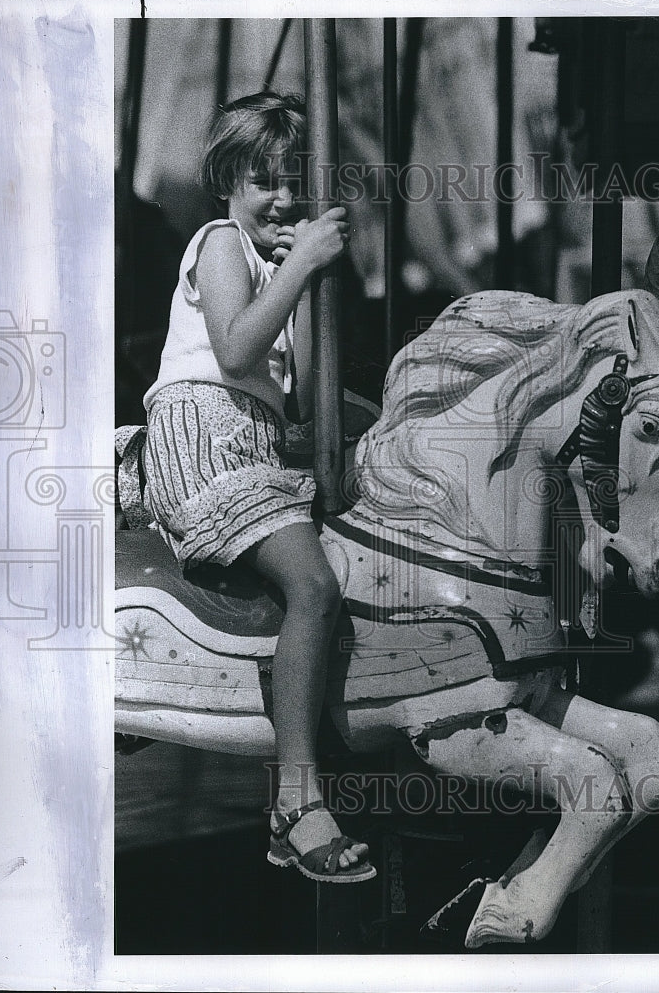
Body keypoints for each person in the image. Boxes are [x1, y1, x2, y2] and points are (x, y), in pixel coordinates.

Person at [141, 91, 374, 883]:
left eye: (294, 184)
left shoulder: (277, 268)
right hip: (202, 433)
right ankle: (298, 795)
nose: (281, 199)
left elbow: (306, 397)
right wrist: (304, 262)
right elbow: (238, 354)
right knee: (313, 584)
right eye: (263, 181)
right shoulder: (218, 243)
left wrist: (311, 284)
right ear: (227, 184)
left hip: (257, 440)